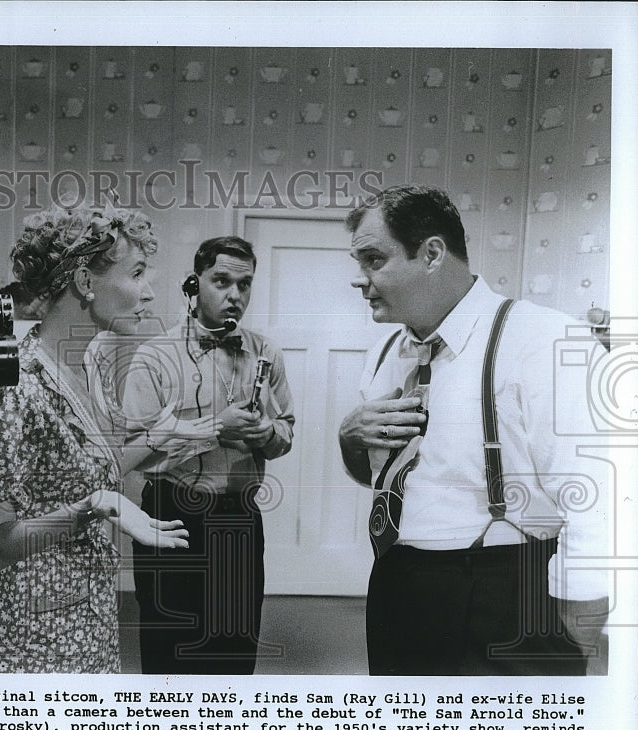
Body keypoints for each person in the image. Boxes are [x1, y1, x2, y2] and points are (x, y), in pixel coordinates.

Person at [338, 184, 610, 675]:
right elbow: (378, 477)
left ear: (432, 254)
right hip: (400, 586)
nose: (359, 280)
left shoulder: (541, 337)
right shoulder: (385, 353)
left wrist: (583, 599)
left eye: (373, 260)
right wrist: (350, 439)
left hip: (505, 590)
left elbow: (597, 487)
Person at [0, 203, 211, 673]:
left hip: (89, 611)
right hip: (33, 631)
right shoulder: (14, 389)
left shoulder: (90, 361)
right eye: (137, 274)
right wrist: (92, 506)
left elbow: (100, 464)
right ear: (84, 282)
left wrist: (160, 434)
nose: (149, 292)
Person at [121, 236, 296, 674]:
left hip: (238, 520)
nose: (235, 295)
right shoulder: (154, 357)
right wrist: (215, 429)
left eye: (245, 284)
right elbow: (131, 455)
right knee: (167, 653)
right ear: (194, 283)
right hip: (170, 518)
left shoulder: (266, 354)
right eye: (221, 281)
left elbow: (286, 432)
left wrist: (264, 433)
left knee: (234, 654)